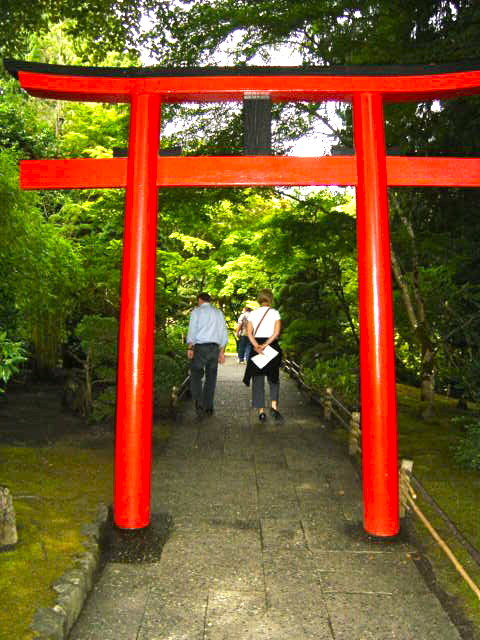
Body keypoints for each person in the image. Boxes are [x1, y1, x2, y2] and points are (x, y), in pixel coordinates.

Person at [186, 292, 228, 420]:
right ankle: (208, 406)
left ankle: (199, 402)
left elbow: (192, 330)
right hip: (214, 348)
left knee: (196, 375)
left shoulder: (196, 312)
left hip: (200, 348)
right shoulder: (218, 313)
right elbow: (223, 332)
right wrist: (222, 351)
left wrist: (190, 347)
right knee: (211, 378)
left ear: (200, 300)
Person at [243, 289, 283, 422]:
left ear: (259, 299)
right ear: (270, 299)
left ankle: (261, 411)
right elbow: (276, 332)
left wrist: (257, 346)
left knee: (258, 379)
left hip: (257, 347)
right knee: (273, 377)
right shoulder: (275, 313)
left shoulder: (252, 314)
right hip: (271, 346)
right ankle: (274, 407)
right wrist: (265, 345)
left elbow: (249, 333)